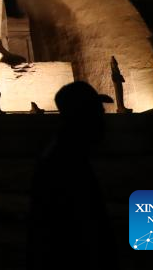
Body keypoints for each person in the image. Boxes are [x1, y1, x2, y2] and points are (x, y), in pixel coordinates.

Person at [27, 81, 116, 270]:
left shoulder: (65, 156)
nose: (103, 119)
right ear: (82, 117)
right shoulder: (65, 166)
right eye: (97, 112)